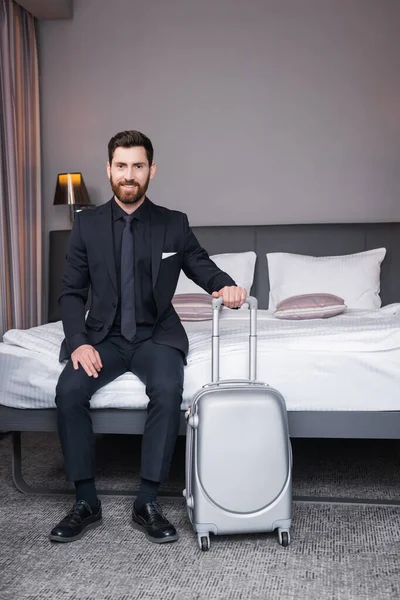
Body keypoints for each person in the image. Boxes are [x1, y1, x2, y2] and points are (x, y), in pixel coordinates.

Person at [50, 130, 247, 544]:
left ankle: (147, 501)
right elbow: (70, 292)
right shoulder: (85, 226)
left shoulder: (173, 224)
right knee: (68, 389)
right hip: (102, 336)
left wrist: (226, 285)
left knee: (168, 386)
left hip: (154, 334)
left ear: (151, 170)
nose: (129, 174)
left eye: (138, 166)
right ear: (109, 169)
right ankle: (85, 500)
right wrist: (80, 340)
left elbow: (200, 264)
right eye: (120, 166)